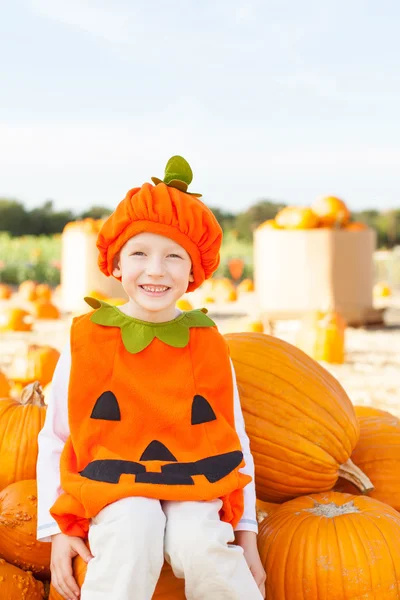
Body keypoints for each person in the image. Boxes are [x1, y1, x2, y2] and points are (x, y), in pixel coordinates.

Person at [36, 156, 266, 600]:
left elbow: (233, 440)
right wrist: (57, 529)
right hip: (112, 482)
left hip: (195, 480)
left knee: (200, 541)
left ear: (194, 271)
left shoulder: (205, 342)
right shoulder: (89, 339)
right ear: (116, 263)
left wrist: (246, 536)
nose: (156, 270)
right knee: (132, 528)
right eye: (140, 253)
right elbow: (56, 437)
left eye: (173, 256)